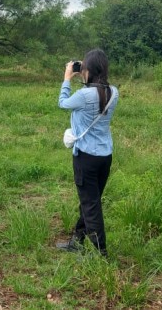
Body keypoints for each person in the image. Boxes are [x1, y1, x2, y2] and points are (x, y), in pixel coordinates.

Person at [56, 48, 119, 257]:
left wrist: (68, 77)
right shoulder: (113, 92)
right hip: (105, 156)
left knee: (91, 205)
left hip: (86, 157)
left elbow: (63, 103)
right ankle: (77, 240)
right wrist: (84, 74)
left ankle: (102, 253)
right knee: (90, 200)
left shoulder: (84, 95)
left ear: (89, 69)